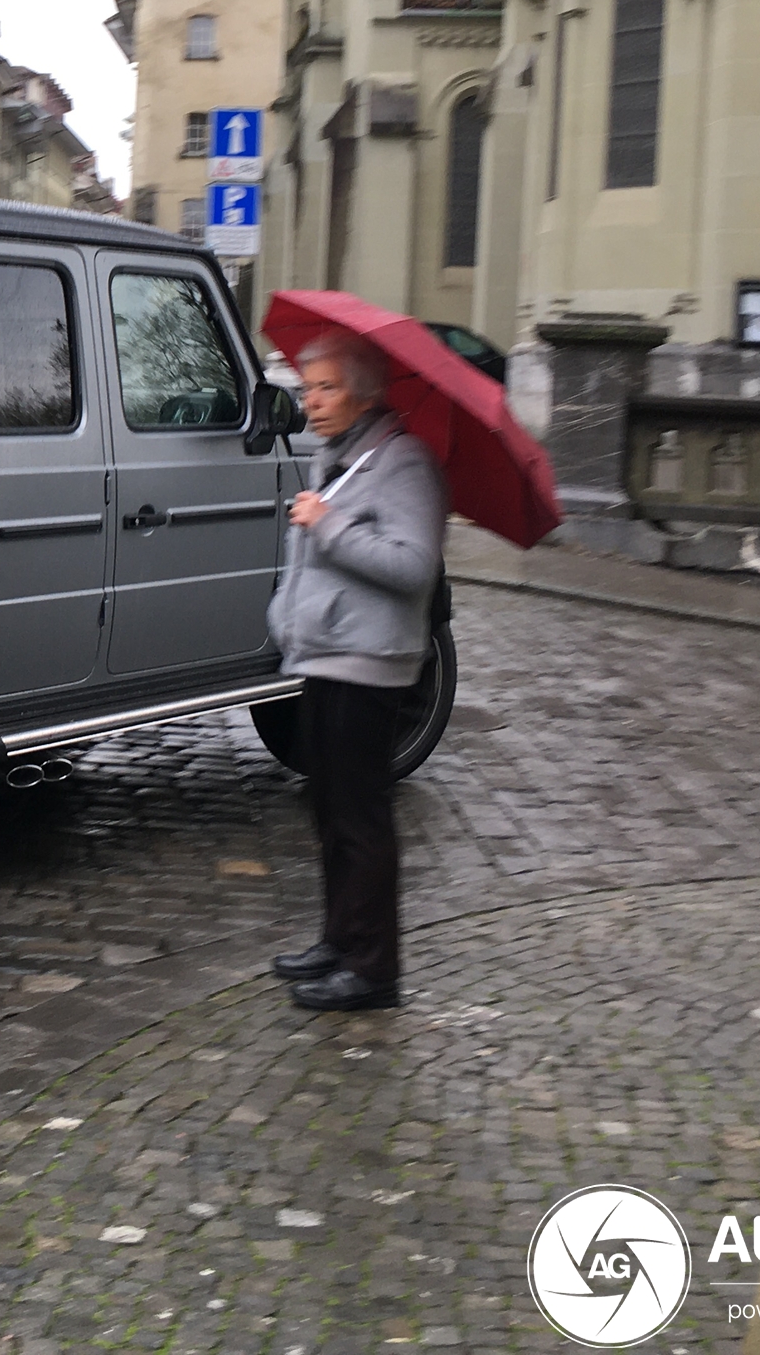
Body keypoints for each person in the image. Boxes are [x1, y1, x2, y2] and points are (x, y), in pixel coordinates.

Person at [266, 332, 448, 1013]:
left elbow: (412, 567)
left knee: (362, 817)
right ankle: (340, 940)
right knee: (330, 809)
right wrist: (285, 612)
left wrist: (331, 523)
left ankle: (375, 968)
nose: (310, 400)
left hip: (370, 664)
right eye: (307, 386)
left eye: (326, 387)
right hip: (327, 656)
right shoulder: (341, 457)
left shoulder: (403, 463)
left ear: (365, 394)